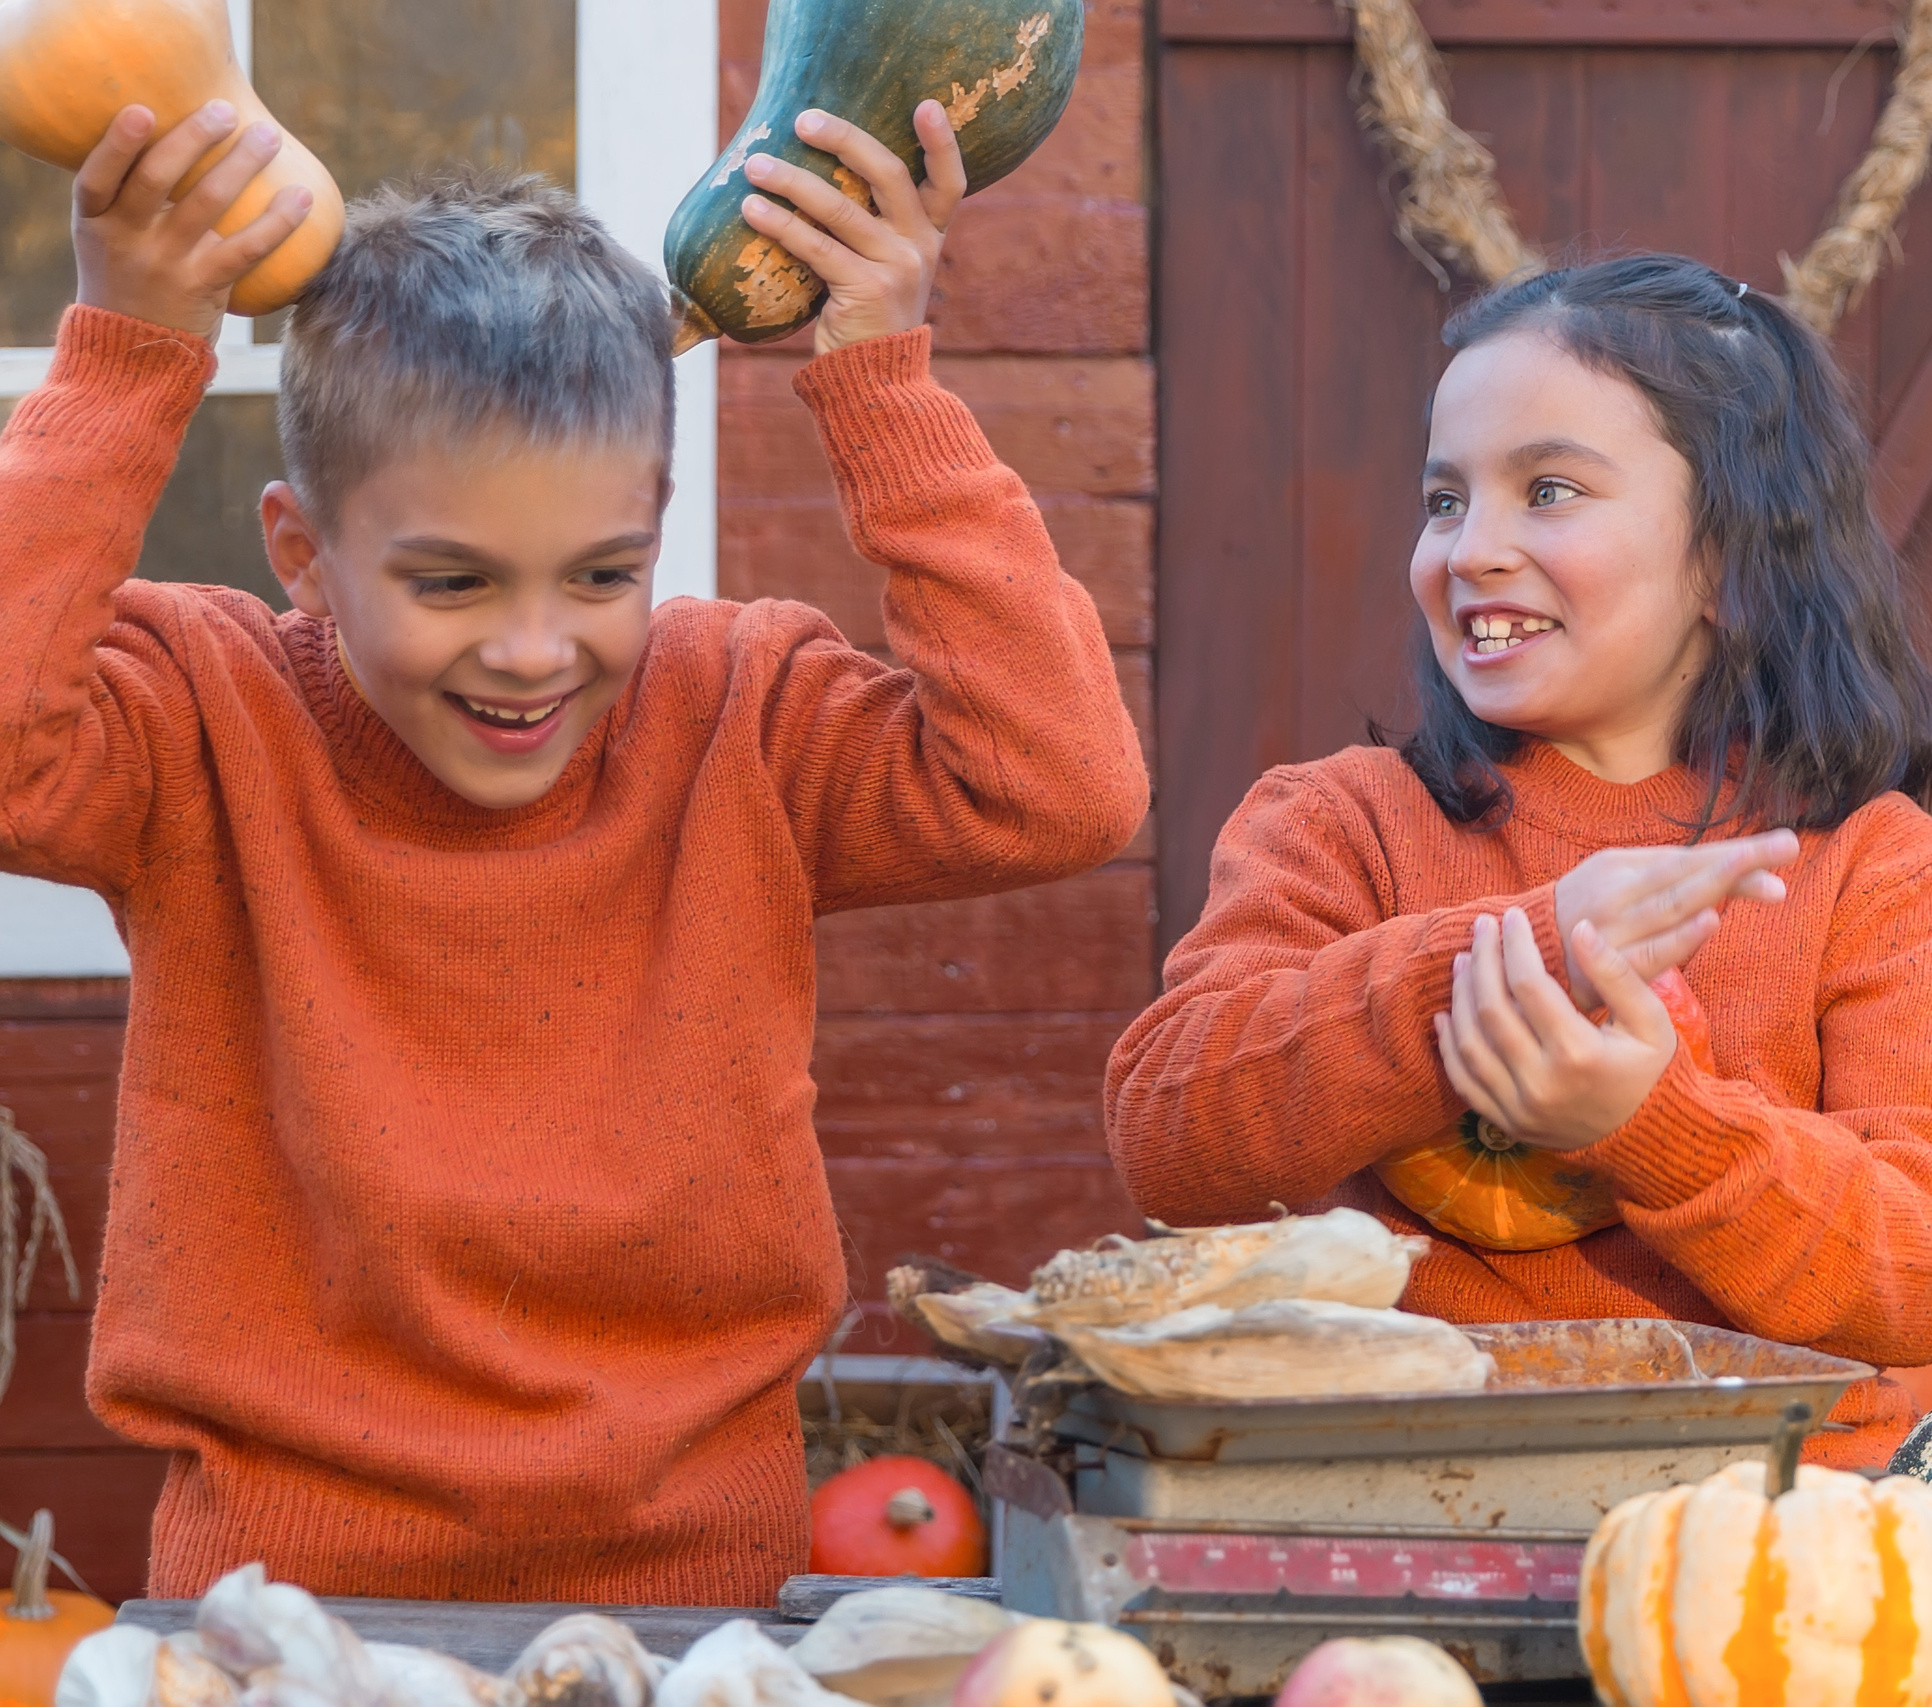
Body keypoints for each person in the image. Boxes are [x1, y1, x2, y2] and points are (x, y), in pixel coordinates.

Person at [0, 96, 1147, 1598]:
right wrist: (126, 358)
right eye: (454, 582)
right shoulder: (200, 719)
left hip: (692, 1593)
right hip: (284, 1599)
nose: (534, 650)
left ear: (657, 527)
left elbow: (1059, 784)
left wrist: (883, 382)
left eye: (603, 574)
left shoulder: (742, 714)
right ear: (301, 552)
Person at [1106, 255, 1932, 1466]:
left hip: (1769, 1522)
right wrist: (1513, 960)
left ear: (1730, 559)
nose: (1471, 548)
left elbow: (1929, 1272)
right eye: (1443, 500)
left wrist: (1649, 1125)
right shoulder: (1339, 824)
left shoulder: (1887, 874)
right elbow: (1169, 1135)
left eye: (1546, 490)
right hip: (1404, 1496)